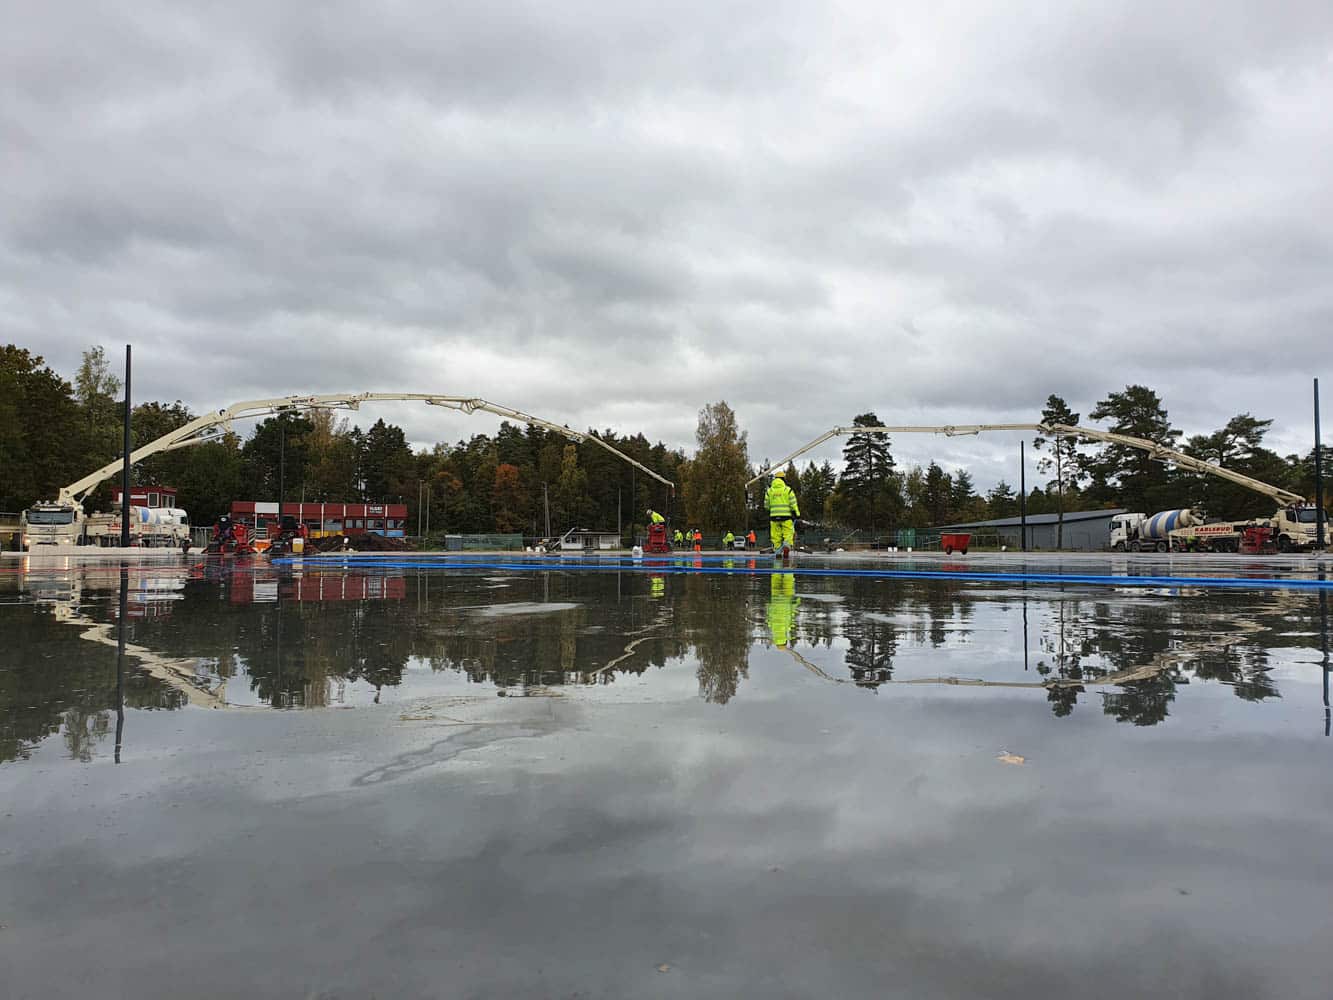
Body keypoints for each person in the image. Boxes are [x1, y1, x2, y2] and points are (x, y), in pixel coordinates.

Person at [765, 469, 800, 558]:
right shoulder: (788, 490)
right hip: (786, 517)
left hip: (774, 517)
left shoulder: (769, 491)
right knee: (788, 533)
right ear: (783, 479)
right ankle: (786, 545)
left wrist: (772, 509)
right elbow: (793, 503)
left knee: (775, 536)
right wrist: (797, 513)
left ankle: (777, 551)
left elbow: (766, 505)